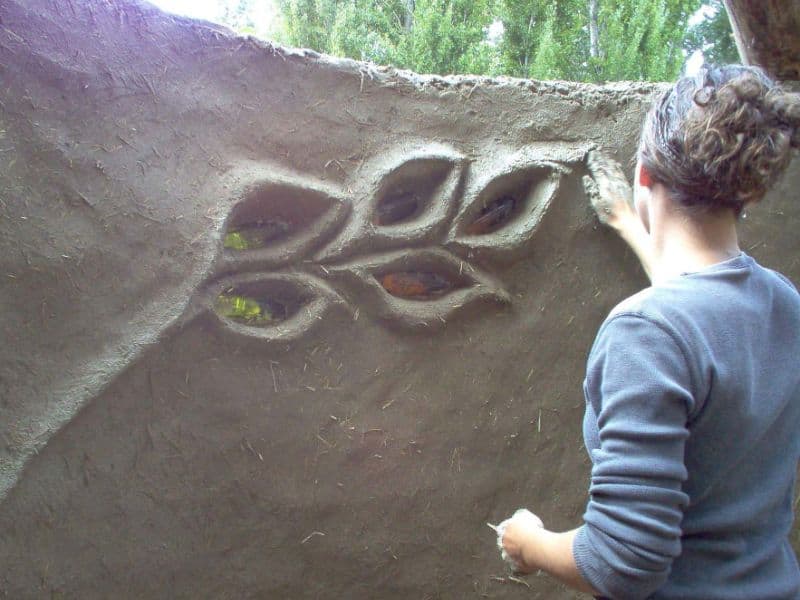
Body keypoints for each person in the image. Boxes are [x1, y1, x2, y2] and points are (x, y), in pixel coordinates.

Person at [494, 64, 800, 599]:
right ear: (743, 192)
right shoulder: (783, 303)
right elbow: (705, 326)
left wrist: (530, 542)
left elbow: (622, 564)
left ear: (645, 176)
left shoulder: (645, 335)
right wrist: (629, 226)